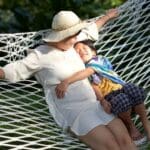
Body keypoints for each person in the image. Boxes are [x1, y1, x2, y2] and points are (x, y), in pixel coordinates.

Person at [0, 10, 137, 150]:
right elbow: (13, 70)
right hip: (75, 112)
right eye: (74, 35)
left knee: (126, 141)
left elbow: (91, 29)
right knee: (111, 146)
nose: (78, 38)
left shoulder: (73, 40)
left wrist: (108, 17)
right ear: (63, 36)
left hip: (95, 104)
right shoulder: (40, 54)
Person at [55, 39, 150, 144]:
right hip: (110, 96)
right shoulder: (80, 71)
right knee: (122, 100)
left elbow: (90, 71)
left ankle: (146, 124)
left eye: (84, 48)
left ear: (94, 52)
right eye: (77, 51)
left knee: (133, 89)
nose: (81, 51)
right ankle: (131, 126)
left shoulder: (99, 60)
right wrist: (102, 100)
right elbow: (94, 86)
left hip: (121, 87)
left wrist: (67, 81)